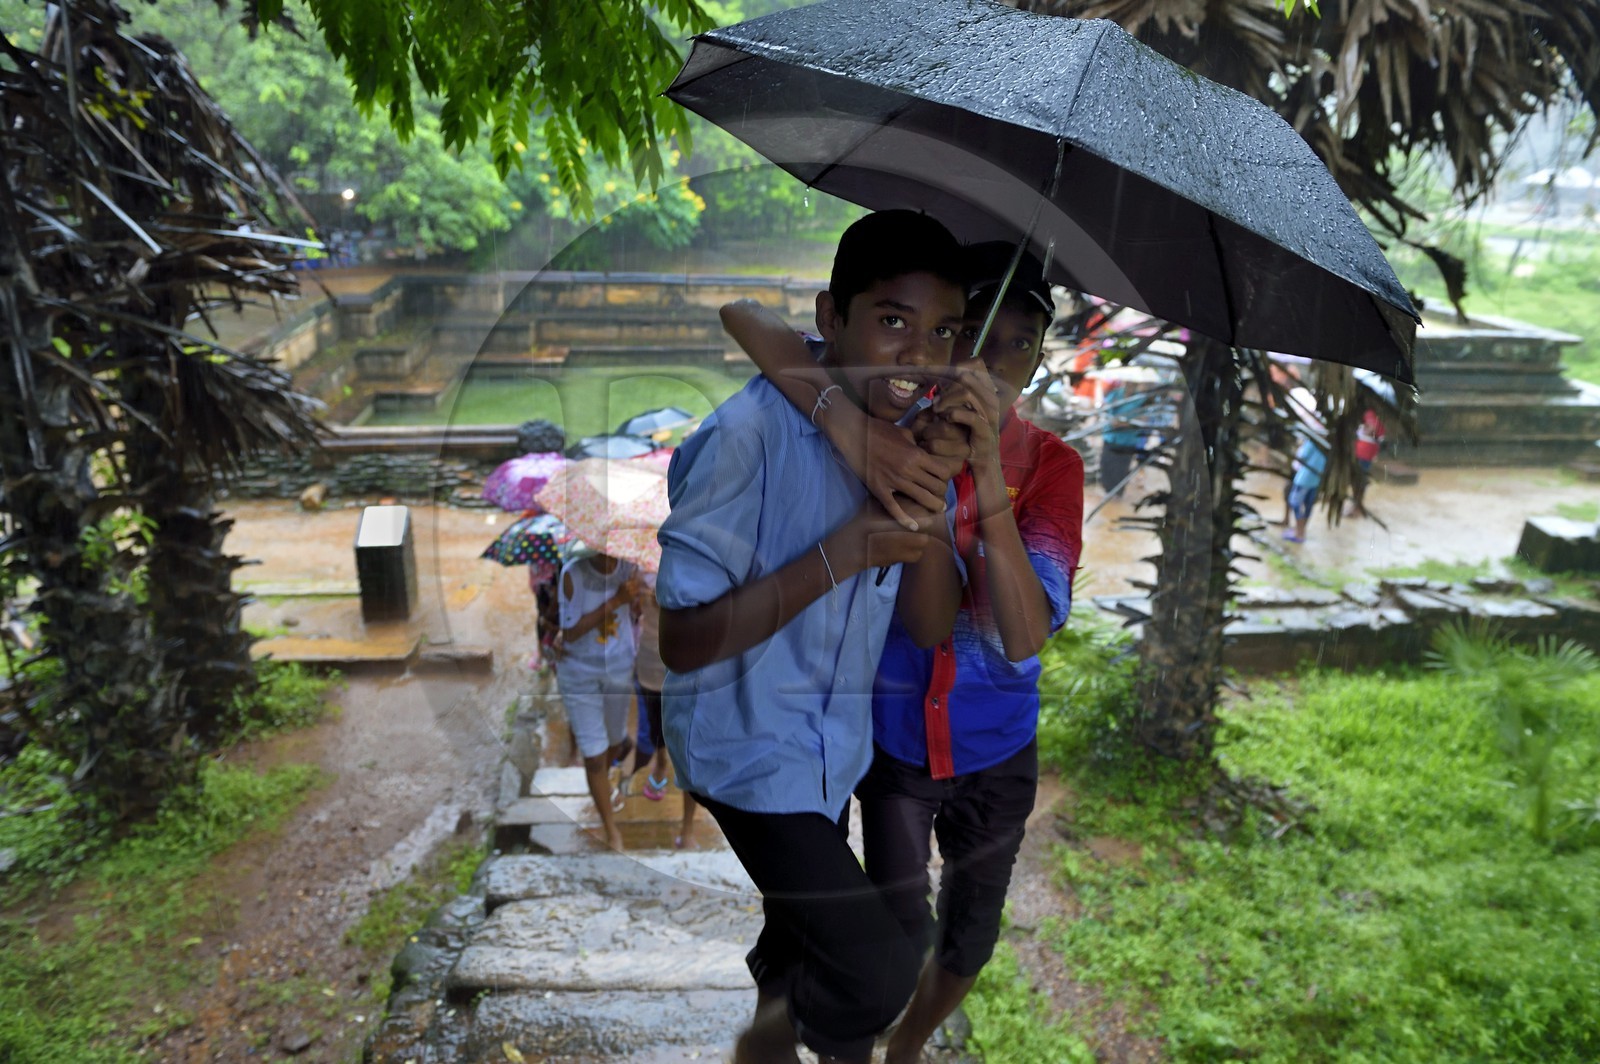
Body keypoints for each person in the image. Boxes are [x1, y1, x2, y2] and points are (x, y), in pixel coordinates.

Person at [724, 242, 1083, 1064]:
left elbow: (1022, 636)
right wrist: (848, 424)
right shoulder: (886, 422)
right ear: (948, 340)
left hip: (996, 743)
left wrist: (987, 479)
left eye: (1022, 344)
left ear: (1039, 359)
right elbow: (746, 318)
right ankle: (810, 1024)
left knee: (968, 938)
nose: (998, 363)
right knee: (892, 927)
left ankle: (908, 1047)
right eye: (979, 336)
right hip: (889, 741)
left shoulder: (1053, 467)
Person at [657, 210, 969, 1064]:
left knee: (809, 938)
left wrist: (935, 506)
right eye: (893, 320)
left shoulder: (913, 448)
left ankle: (780, 989)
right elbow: (680, 642)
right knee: (878, 971)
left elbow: (927, 622)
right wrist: (846, 551)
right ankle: (800, 1032)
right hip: (745, 750)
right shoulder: (746, 440)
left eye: (943, 331)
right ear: (832, 318)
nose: (919, 354)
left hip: (833, 748)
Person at [555, 547, 639, 850]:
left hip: (618, 668)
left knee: (614, 742)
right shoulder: (572, 573)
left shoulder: (632, 567)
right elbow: (572, 632)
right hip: (579, 671)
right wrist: (617, 600)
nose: (608, 555)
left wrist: (637, 599)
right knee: (593, 753)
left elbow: (641, 612)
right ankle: (610, 828)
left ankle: (606, 778)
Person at [631, 573, 698, 848]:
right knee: (657, 724)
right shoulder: (638, 572)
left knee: (688, 749)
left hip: (687, 667)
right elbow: (632, 615)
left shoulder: (692, 566)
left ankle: (688, 826)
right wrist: (634, 599)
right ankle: (660, 763)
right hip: (649, 663)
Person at [1284, 433, 1327, 544]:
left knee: (1295, 502)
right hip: (1316, 479)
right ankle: (1302, 531)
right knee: (1308, 505)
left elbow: (1302, 456)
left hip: (1304, 478)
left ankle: (1299, 533)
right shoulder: (1327, 446)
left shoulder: (1312, 442)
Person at [1347, 407, 1385, 518]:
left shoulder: (1369, 415)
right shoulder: (1370, 418)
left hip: (1363, 455)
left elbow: (1371, 429)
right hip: (1363, 454)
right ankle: (1356, 505)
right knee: (1357, 482)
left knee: (1358, 482)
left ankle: (1357, 507)